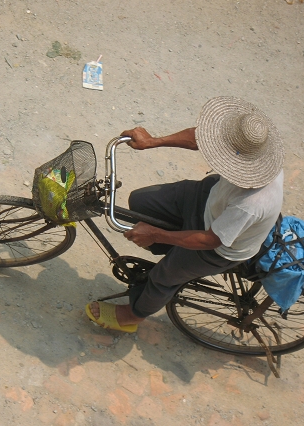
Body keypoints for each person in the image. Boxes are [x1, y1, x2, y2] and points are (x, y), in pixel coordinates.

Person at [85, 96, 285, 332]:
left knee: (164, 275)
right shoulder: (254, 150)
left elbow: (210, 240)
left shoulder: (252, 203)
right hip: (209, 197)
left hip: (220, 244)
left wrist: (156, 234)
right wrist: (152, 141)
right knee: (141, 201)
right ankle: (175, 248)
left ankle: (133, 315)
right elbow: (200, 137)